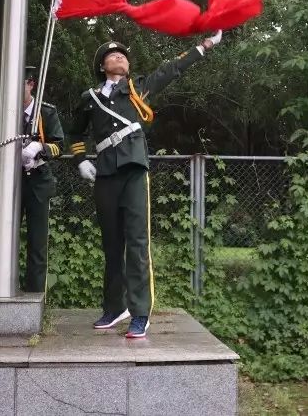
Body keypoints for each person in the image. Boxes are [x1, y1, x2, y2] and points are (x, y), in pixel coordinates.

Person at [68, 31, 222, 339]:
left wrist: (204, 46)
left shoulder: (138, 88)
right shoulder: (90, 98)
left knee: (137, 244)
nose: (120, 57)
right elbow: (74, 134)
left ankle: (140, 312)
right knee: (112, 245)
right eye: (113, 55)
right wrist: (81, 160)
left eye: (123, 55)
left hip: (135, 171)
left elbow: (171, 70)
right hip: (106, 175)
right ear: (102, 66)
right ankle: (115, 307)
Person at [19, 66, 65, 293]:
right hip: (12, 182)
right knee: (2, 239)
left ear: (30, 84)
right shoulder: (6, 110)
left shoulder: (46, 112)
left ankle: (35, 297)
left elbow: (60, 146)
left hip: (38, 180)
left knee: (37, 243)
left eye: (21, 83)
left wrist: (41, 147)